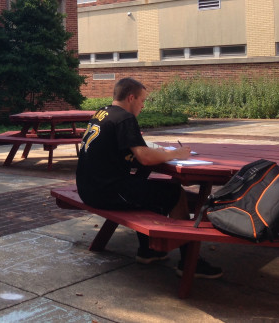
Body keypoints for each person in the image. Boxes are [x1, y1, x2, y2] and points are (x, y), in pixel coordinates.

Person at [76, 77, 222, 278]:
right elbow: (144, 158)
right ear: (131, 98)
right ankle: (190, 261)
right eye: (142, 100)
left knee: (146, 189)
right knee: (174, 192)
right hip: (106, 192)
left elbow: (126, 150)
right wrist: (175, 154)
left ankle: (148, 251)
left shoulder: (103, 112)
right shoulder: (125, 118)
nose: (143, 105)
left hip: (88, 188)